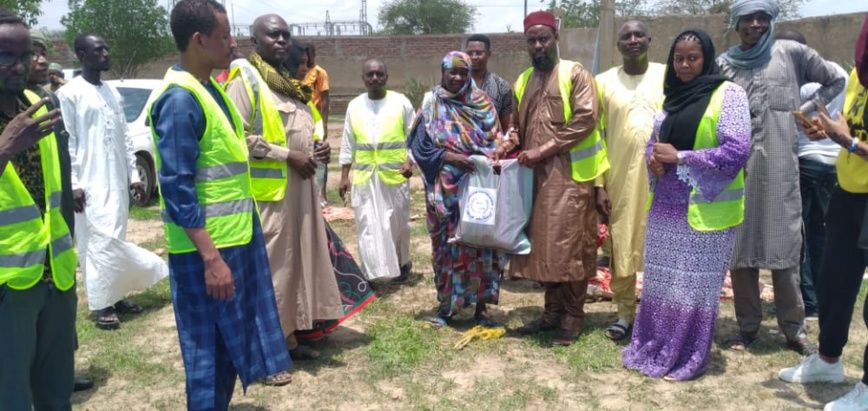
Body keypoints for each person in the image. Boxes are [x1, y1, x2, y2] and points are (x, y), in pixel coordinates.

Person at [149, 1, 291, 408]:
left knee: (230, 347)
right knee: (207, 355)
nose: (233, 43)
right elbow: (177, 188)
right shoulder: (180, 101)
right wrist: (211, 259)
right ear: (199, 40)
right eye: (225, 36)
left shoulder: (211, 90)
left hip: (235, 240)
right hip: (206, 254)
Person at [716, 0, 846, 354]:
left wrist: (805, 111)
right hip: (737, 172)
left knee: (786, 247)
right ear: (736, 23)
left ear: (771, 20)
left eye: (762, 17)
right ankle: (747, 327)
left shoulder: (790, 53)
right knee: (740, 250)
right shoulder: (723, 65)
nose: (755, 24)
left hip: (780, 170)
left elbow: (835, 80)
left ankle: (794, 329)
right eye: (747, 18)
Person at [622, 29, 751, 381]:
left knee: (693, 289)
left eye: (692, 58)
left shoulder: (729, 95)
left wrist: (680, 157)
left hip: (706, 211)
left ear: (706, 58)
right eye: (678, 58)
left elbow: (737, 150)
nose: (684, 65)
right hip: (666, 208)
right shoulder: (673, 98)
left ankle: (688, 356)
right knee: (662, 284)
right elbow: (655, 143)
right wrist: (654, 159)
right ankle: (656, 346)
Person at [225, 16, 343, 367]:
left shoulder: (288, 85)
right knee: (274, 271)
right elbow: (237, 138)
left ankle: (288, 338)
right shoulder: (246, 80)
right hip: (270, 196)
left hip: (300, 191)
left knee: (295, 268)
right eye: (272, 35)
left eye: (286, 35)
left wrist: (319, 149)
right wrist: (288, 155)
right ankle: (266, 351)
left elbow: (302, 130)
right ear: (255, 41)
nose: (281, 40)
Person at [778, 17, 868, 411]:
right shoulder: (859, 75)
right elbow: (851, 122)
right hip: (849, 192)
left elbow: (852, 139)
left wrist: (848, 143)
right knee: (833, 283)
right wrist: (828, 129)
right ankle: (828, 360)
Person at [57, 33, 168, 330]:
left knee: (115, 237)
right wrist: (73, 183)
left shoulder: (111, 92)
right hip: (88, 181)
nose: (106, 53)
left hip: (116, 179)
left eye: (106, 48)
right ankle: (101, 303)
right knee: (97, 241)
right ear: (82, 55)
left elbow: (125, 137)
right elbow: (68, 142)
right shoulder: (69, 94)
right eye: (98, 50)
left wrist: (134, 176)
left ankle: (116, 296)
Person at [509, 11, 607, 346]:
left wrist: (543, 150)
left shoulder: (575, 74)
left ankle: (573, 317)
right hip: (534, 179)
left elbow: (585, 120)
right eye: (532, 41)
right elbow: (516, 126)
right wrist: (508, 142)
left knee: (569, 249)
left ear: (556, 38)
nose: (538, 46)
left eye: (543, 39)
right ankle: (551, 313)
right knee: (543, 248)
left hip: (570, 177)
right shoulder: (523, 79)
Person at [0, 10, 75, 409]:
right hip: (8, 286)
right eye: (5, 56)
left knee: (56, 393)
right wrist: (4, 148)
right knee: (11, 397)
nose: (19, 65)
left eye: (24, 55)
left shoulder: (40, 105)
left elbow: (58, 193)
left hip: (54, 276)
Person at [408, 51, 508, 328]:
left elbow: (496, 141)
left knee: (481, 245)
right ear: (442, 72)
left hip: (478, 186)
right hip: (444, 189)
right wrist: (451, 158)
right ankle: (447, 306)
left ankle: (481, 308)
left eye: (463, 72)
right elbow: (419, 145)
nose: (457, 77)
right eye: (451, 71)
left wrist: (484, 158)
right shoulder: (431, 102)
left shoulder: (483, 103)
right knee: (446, 246)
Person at [28, 26, 94, 394]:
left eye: (41, 53)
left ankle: (63, 369)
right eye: (32, 53)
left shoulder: (47, 100)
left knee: (62, 298)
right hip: (25, 236)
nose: (40, 60)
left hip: (58, 220)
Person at [593, 20, 666, 341]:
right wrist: (598, 184)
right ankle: (624, 313)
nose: (633, 40)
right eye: (626, 36)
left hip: (663, 179)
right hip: (619, 178)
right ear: (618, 45)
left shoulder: (667, 75)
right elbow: (595, 136)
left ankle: (657, 315)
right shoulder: (603, 82)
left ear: (650, 39)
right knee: (622, 244)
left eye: (639, 35)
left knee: (661, 245)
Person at [774, 28, 848, 321]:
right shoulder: (839, 74)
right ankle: (822, 296)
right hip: (836, 164)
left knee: (800, 235)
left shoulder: (801, 85)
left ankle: (808, 302)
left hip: (806, 164)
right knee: (822, 233)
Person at [338, 59, 414, 281]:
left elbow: (415, 137)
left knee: (397, 224)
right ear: (363, 79)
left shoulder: (401, 102)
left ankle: (401, 263)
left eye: (379, 74)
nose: (374, 78)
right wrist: (344, 176)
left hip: (395, 176)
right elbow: (347, 142)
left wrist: (410, 162)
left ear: (386, 77)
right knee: (368, 224)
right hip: (365, 177)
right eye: (369, 75)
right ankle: (371, 272)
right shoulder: (354, 106)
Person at [465, 34, 514, 130]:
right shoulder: (456, 84)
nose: (473, 57)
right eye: (470, 53)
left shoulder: (501, 87)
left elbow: (506, 127)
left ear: (488, 54)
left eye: (478, 53)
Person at [303, 43, 330, 205]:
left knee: (321, 155)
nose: (307, 58)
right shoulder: (299, 72)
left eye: (310, 54)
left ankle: (323, 194)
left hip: (316, 119)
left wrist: (324, 124)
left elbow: (325, 100)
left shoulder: (320, 72)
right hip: (302, 118)